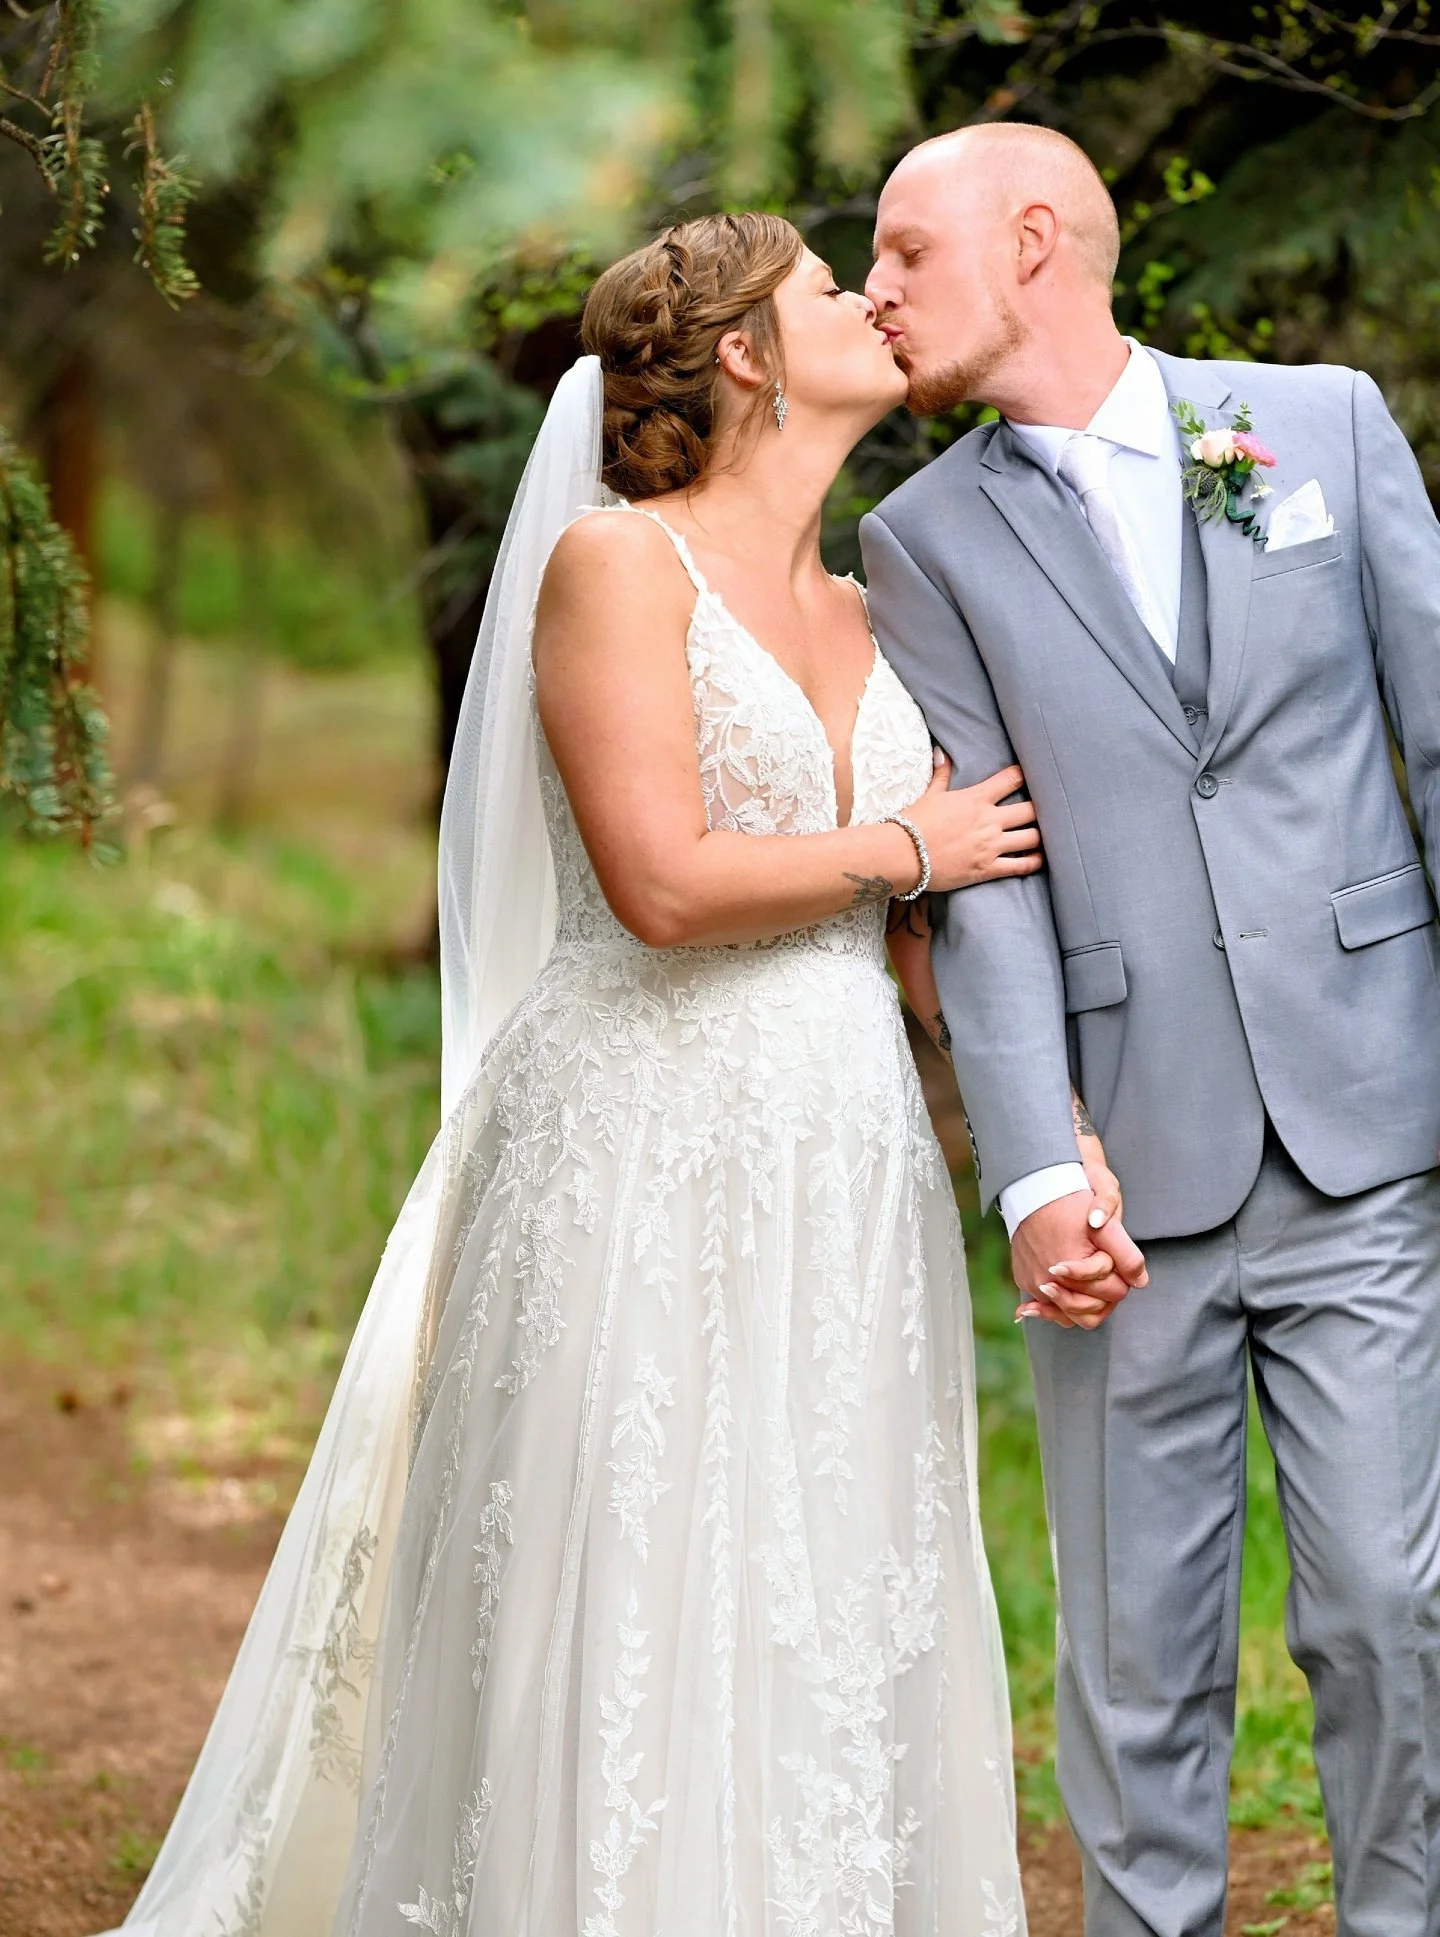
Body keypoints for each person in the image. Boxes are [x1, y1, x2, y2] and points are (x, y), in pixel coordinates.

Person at [100, 211, 1127, 1937]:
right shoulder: (618, 569)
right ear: (741, 352)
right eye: (827, 287)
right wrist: (908, 842)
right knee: (637, 1577)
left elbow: (920, 946)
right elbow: (661, 886)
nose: (872, 303)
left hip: (841, 1148)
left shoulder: (883, 602)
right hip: (636, 1136)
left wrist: (1053, 1139)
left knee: (819, 1571)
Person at [862, 121, 1440, 1937]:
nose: (871, 293)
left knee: (1391, 1609)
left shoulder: (1307, 424)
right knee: (1135, 1664)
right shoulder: (920, 537)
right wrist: (1034, 1164)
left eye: (901, 254)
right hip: (1124, 1166)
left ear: (1034, 241)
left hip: (1367, 1121)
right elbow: (989, 877)